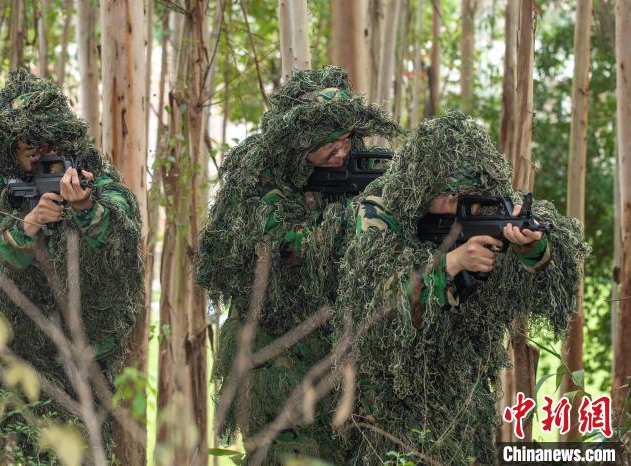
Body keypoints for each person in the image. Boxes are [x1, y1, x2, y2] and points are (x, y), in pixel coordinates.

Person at [333, 111, 589, 465]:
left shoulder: (492, 212)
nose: (456, 207)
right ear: (422, 187)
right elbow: (380, 297)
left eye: (468, 195)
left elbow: (552, 273)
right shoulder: (379, 211)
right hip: (390, 409)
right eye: (448, 195)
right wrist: (453, 263)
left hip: (465, 404)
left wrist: (533, 250)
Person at [196, 66, 400, 464]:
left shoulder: (353, 168)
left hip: (338, 359)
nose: (341, 151)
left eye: (346, 139)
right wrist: (356, 221)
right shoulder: (257, 175)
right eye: (328, 144)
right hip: (276, 364)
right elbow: (284, 247)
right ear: (298, 142)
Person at [0, 69, 143, 460]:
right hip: (16, 366)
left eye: (44, 138)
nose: (36, 148)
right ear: (9, 144)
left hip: (81, 370)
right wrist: (28, 225)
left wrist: (85, 208)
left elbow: (124, 241)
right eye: (25, 139)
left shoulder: (93, 178)